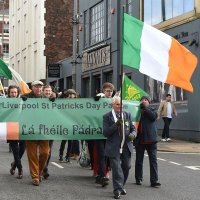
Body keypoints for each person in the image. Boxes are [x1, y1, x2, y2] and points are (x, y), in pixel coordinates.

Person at [103, 95, 136, 199]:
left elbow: (133, 128)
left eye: (121, 104)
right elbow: (106, 133)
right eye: (117, 104)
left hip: (126, 146)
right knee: (117, 169)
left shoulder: (127, 115)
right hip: (113, 147)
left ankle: (121, 186)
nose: (119, 106)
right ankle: (117, 190)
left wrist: (133, 134)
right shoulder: (107, 116)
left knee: (126, 166)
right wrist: (116, 124)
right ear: (112, 105)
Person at [22, 80, 49, 186]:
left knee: (45, 153)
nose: (38, 89)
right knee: (32, 154)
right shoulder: (25, 97)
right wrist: (21, 101)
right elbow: (16, 106)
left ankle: (39, 172)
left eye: (40, 87)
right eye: (36, 87)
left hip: (43, 130)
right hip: (30, 130)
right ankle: (35, 177)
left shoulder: (46, 99)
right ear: (32, 87)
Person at [134, 96, 161, 188]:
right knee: (139, 161)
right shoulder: (137, 111)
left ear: (149, 102)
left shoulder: (152, 110)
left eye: (146, 100)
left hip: (151, 140)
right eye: (142, 100)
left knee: (153, 161)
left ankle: (154, 181)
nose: (144, 101)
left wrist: (145, 108)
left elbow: (153, 117)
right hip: (140, 140)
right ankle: (138, 178)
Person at [94, 82, 115, 187]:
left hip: (110, 134)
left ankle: (101, 174)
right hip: (99, 133)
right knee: (101, 155)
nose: (109, 93)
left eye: (111, 91)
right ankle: (102, 176)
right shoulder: (99, 100)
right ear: (103, 91)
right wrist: (97, 98)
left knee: (107, 156)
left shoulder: (115, 102)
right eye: (107, 91)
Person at [8, 85, 26, 179]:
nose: (14, 94)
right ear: (9, 93)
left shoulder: (22, 101)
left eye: (15, 92)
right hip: (11, 127)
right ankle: (20, 169)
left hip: (22, 127)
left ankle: (14, 164)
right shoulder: (4, 102)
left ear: (18, 93)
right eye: (12, 92)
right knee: (15, 150)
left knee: (22, 149)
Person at [58, 89, 77, 163]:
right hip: (65, 124)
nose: (72, 96)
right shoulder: (63, 102)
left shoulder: (76, 103)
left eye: (73, 94)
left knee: (70, 142)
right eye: (70, 94)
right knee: (64, 141)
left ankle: (68, 156)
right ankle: (61, 155)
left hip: (72, 124)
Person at [42, 85, 55, 179]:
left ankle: (45, 168)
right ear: (43, 91)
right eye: (46, 91)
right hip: (41, 129)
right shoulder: (38, 100)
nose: (48, 92)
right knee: (42, 151)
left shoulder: (56, 100)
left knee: (48, 151)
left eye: (49, 91)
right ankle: (43, 168)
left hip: (52, 129)